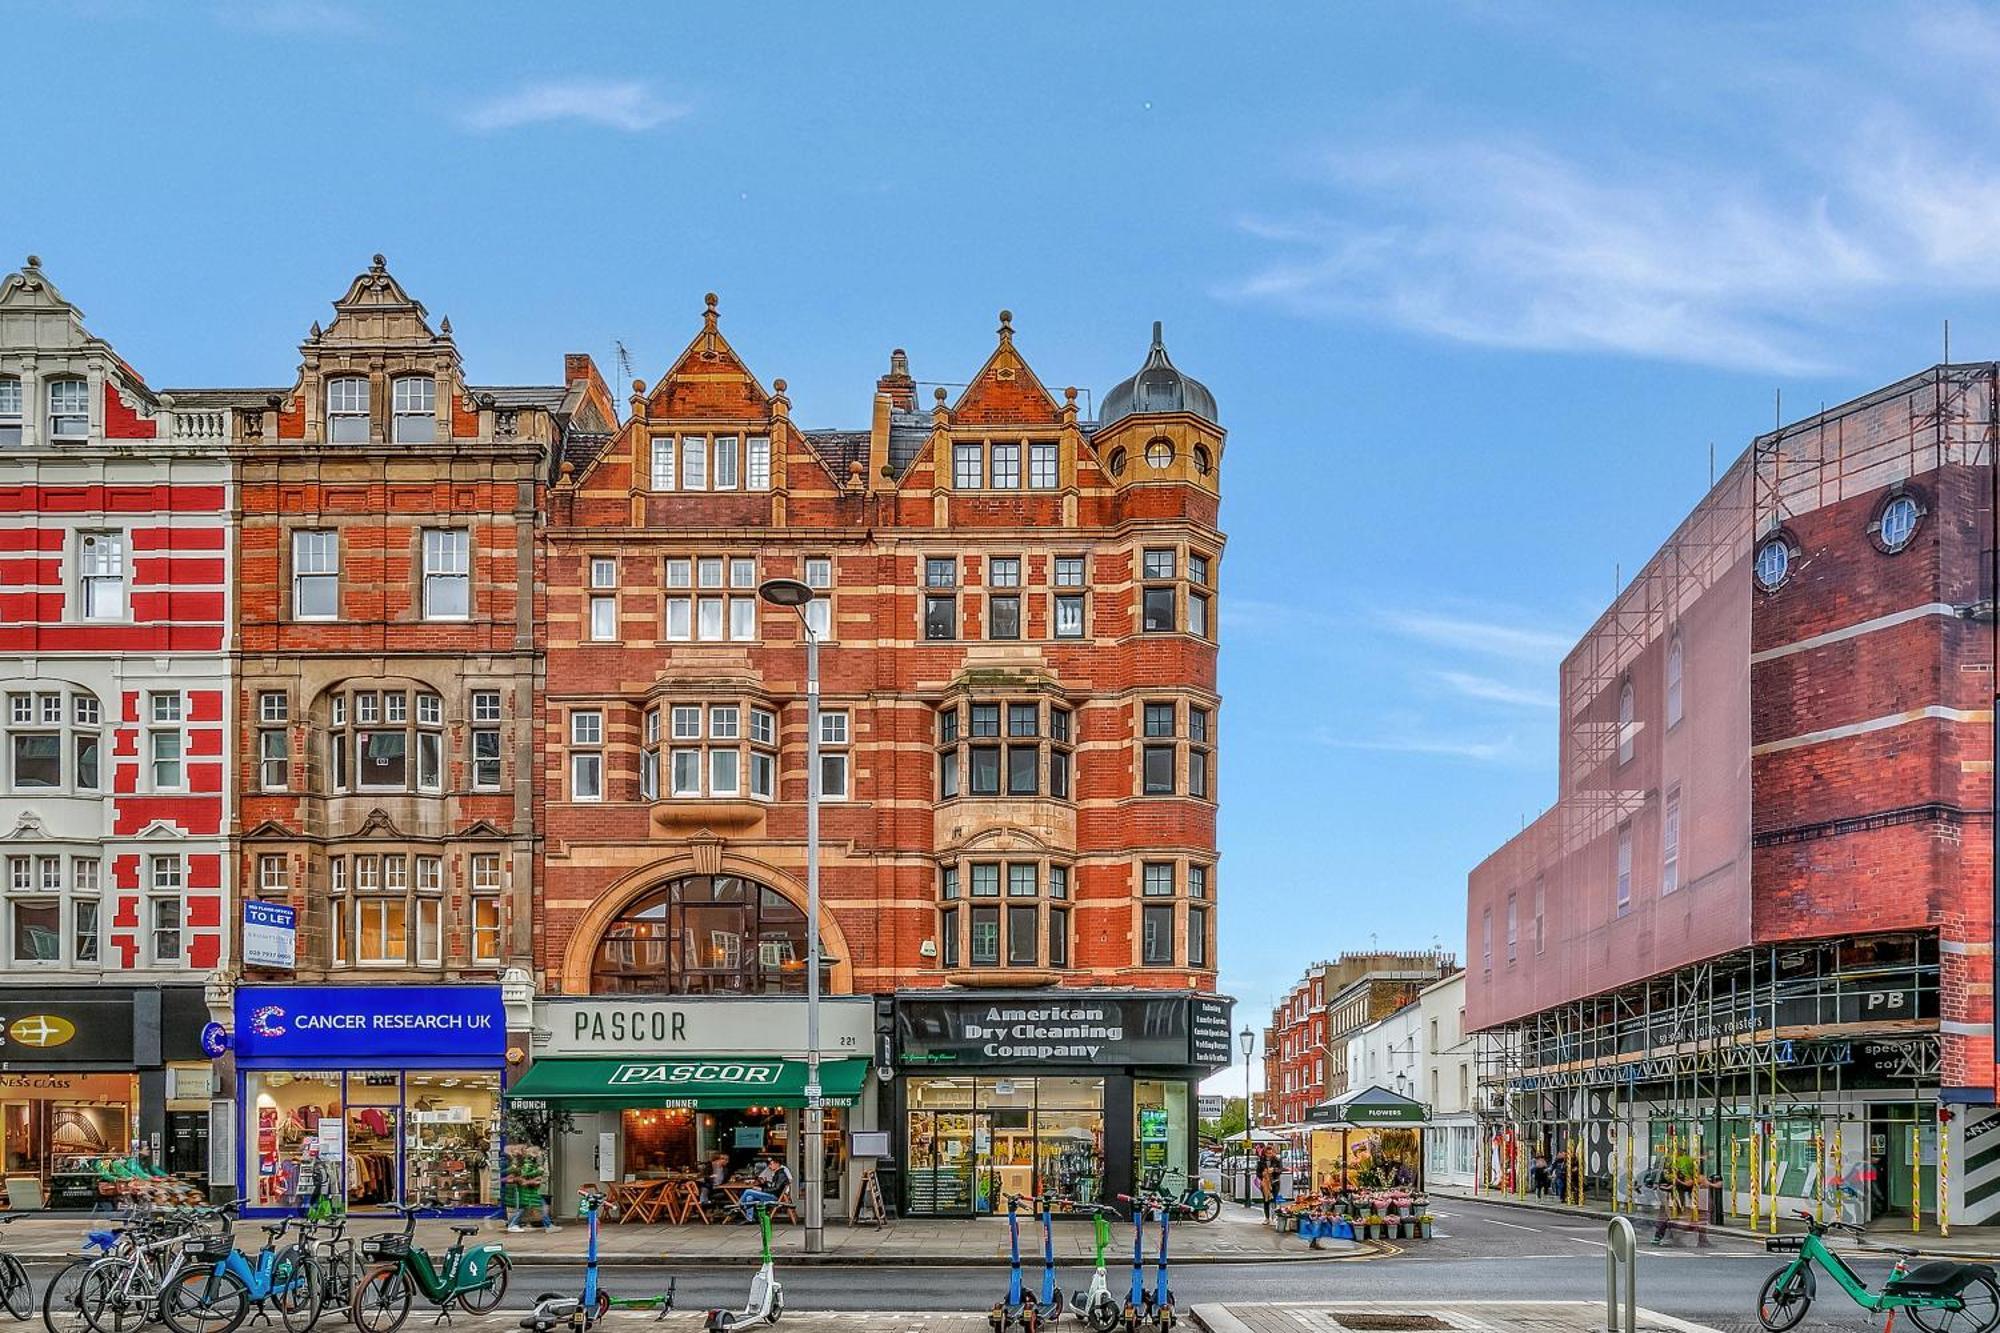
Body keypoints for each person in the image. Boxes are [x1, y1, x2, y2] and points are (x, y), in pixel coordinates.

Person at [508, 1145, 560, 1233]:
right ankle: (549, 1226)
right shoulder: (528, 1163)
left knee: (527, 1207)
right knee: (538, 1206)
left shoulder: (528, 1162)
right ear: (533, 1154)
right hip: (528, 1190)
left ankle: (513, 1224)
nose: (540, 1154)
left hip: (529, 1189)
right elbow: (525, 1174)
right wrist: (538, 1171)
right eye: (538, 1152)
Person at [737, 1154, 793, 1220]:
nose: (769, 1166)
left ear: (777, 1164)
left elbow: (776, 1189)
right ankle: (750, 1219)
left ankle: (737, 1207)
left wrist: (761, 1189)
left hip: (774, 1197)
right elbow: (774, 1186)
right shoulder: (777, 1173)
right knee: (749, 1197)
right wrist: (765, 1183)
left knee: (748, 1191)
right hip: (772, 1194)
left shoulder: (781, 1174)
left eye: (771, 1164)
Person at [1258, 1148, 1280, 1224]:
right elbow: (1258, 1172)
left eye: (1270, 1153)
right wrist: (1262, 1174)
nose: (1269, 1155)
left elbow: (1280, 1170)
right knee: (1266, 1200)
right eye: (1267, 1153)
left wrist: (1274, 1170)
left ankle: (1273, 1217)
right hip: (1265, 1183)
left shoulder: (1277, 1160)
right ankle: (1267, 1218)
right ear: (1265, 1153)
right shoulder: (1261, 1161)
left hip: (1274, 1182)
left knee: (1273, 1200)